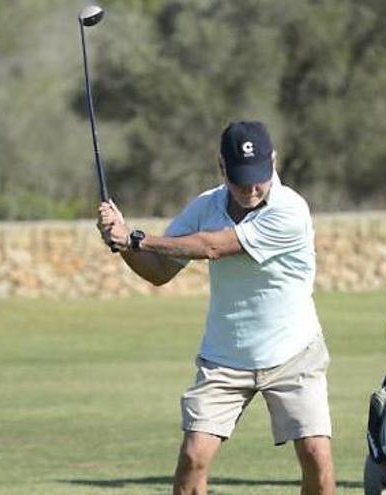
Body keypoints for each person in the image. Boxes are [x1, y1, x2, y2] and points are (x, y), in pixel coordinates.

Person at [96, 121, 336, 495]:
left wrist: (138, 238)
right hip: (225, 358)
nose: (252, 189)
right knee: (193, 457)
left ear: (274, 162)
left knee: (316, 455)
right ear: (221, 168)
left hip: (294, 353)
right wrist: (124, 243)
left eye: (260, 177)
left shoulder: (290, 210)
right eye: (240, 180)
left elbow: (213, 247)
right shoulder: (206, 206)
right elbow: (159, 273)